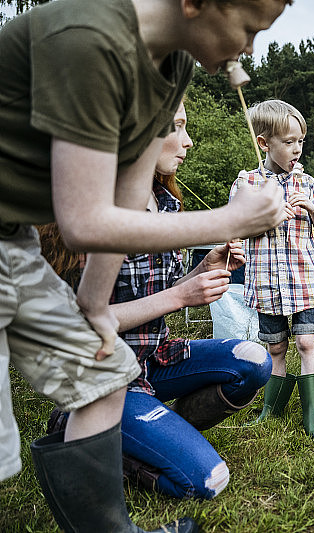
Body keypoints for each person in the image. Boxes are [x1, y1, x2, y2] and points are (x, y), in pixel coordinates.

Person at [0, 0, 292, 531]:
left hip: (10, 233)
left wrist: (94, 309)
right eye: (249, 28)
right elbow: (86, 224)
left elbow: (126, 199)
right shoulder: (89, 40)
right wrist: (230, 219)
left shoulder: (169, 65)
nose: (248, 50)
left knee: (104, 374)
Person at [42, 100, 272, 500]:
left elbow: (155, 291)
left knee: (254, 362)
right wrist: (180, 296)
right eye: (176, 128)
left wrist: (203, 271)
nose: (188, 141)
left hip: (155, 358)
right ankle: (82, 431)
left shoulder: (166, 203)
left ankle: (158, 429)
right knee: (208, 480)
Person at [229, 100, 314, 440]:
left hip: (302, 280)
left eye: (300, 141)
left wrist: (312, 210)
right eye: (288, 142)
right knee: (275, 347)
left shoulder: (309, 183)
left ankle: (313, 418)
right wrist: (267, 218)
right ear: (264, 143)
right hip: (266, 281)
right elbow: (236, 228)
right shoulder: (247, 183)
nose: (296, 148)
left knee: (306, 341)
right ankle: (270, 411)